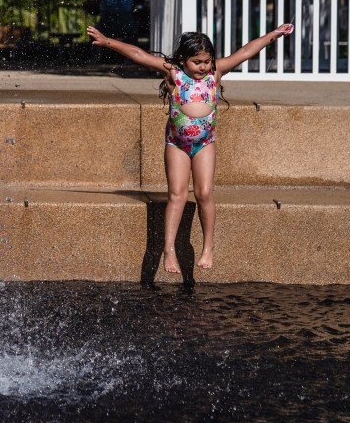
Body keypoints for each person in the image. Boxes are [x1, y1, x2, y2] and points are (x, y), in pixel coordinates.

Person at [86, 22, 294, 273]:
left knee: (205, 193)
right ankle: (169, 249)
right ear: (183, 60)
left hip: (205, 143)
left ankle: (208, 247)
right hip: (177, 143)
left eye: (206, 61)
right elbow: (140, 55)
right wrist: (108, 41)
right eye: (197, 62)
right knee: (177, 194)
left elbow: (245, 52)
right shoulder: (175, 74)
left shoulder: (214, 74)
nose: (203, 67)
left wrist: (273, 34)